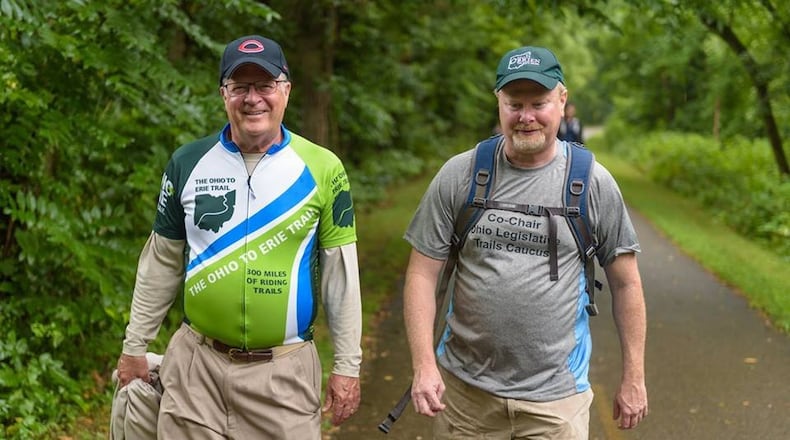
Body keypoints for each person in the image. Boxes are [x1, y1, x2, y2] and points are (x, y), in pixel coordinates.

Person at [115, 34, 362, 439]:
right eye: (239, 87)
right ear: (223, 94)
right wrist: (134, 345)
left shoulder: (323, 168)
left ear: (286, 91)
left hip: (285, 375)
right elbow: (160, 262)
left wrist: (347, 366)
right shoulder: (187, 162)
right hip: (196, 370)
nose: (253, 99)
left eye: (264, 85)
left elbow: (341, 276)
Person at [402, 46, 648, 439]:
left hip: (556, 402)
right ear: (499, 102)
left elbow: (626, 283)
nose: (526, 116)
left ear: (562, 100)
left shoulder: (593, 183)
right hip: (466, 398)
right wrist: (423, 365)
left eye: (539, 103)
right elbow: (421, 274)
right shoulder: (459, 174)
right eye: (515, 103)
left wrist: (634, 376)